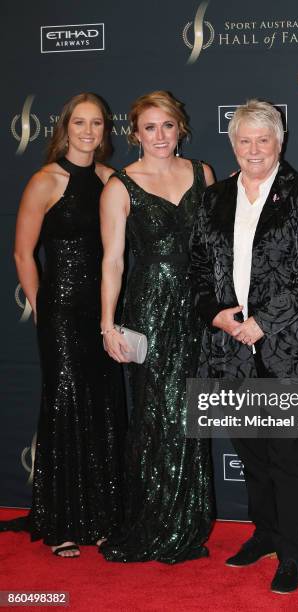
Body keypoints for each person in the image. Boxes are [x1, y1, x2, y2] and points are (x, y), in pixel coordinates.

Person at [190, 100, 298, 593]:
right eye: (244, 140)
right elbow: (199, 270)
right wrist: (216, 314)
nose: (253, 149)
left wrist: (264, 322)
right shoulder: (214, 197)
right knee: (251, 454)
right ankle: (263, 533)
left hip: (287, 347)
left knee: (289, 459)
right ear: (233, 144)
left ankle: (290, 553)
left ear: (280, 142)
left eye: (262, 140)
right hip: (228, 348)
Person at [99, 91, 214, 563]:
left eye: (168, 125)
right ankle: (151, 520)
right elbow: (112, 262)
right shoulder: (120, 186)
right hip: (149, 309)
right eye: (150, 128)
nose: (160, 136)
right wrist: (108, 324)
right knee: (155, 415)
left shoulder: (201, 174)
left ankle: (188, 521)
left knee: (191, 410)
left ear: (180, 128)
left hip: (199, 309)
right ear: (135, 133)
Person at [13, 93, 127, 557]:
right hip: (60, 311)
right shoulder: (45, 180)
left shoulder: (110, 179)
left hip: (102, 310)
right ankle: (63, 520)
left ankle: (101, 517)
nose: (88, 131)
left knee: (103, 406)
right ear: (64, 128)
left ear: (105, 131)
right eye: (79, 123)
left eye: (96, 123)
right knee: (65, 406)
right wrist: (41, 306)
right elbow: (23, 252)